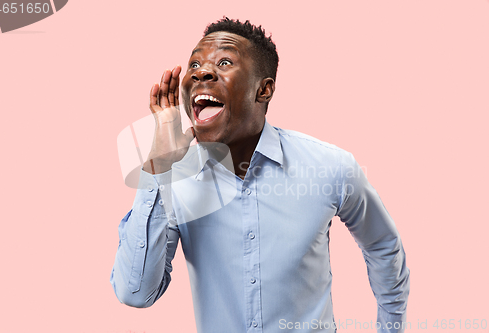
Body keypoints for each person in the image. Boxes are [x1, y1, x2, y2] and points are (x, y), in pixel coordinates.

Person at [110, 18, 410, 333]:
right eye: (194, 64)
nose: (200, 72)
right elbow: (136, 293)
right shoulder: (175, 181)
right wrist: (159, 168)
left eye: (224, 62)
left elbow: (382, 243)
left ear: (263, 90)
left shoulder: (330, 166)